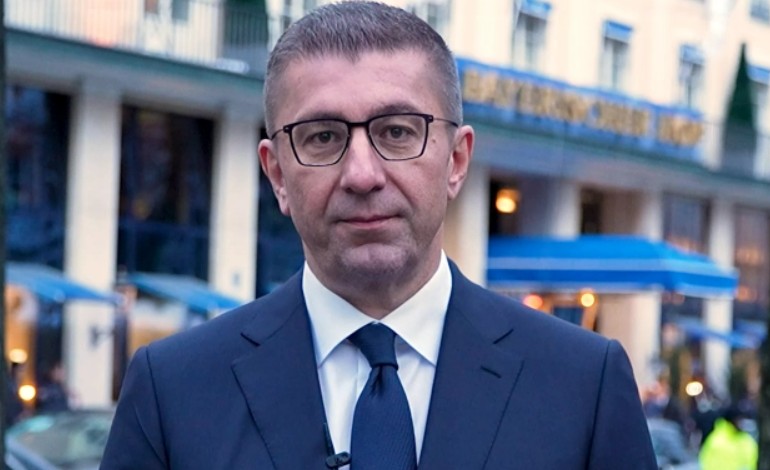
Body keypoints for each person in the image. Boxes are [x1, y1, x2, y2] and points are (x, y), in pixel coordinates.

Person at [101, 2, 656, 468]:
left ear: (457, 160)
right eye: (322, 137)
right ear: (277, 175)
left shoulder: (583, 384)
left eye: (397, 132)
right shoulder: (172, 391)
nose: (362, 174)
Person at [699, 405, 758, 470]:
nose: (741, 423)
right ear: (731, 421)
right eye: (738, 420)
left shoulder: (747, 441)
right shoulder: (716, 442)